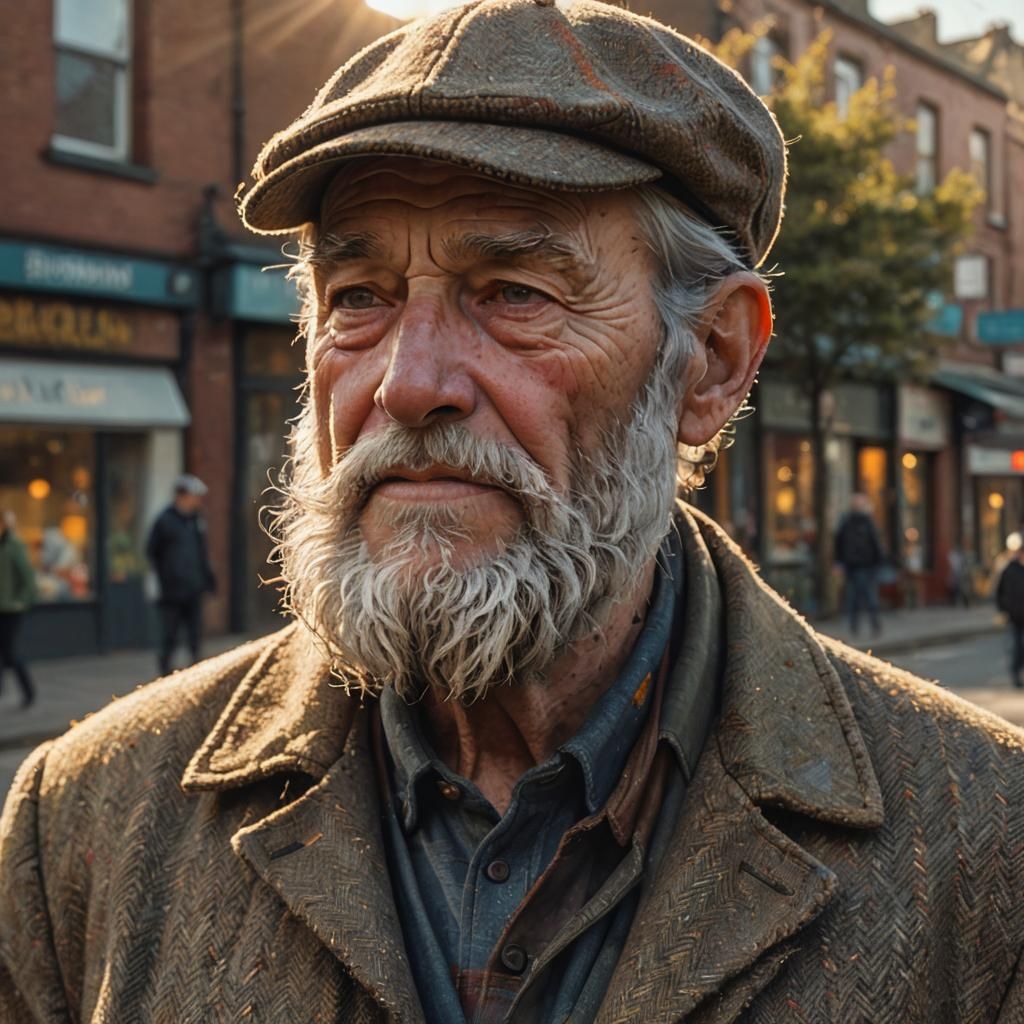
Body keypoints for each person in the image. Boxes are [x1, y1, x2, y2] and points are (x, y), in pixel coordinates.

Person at [3, 3, 1024, 1019]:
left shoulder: (986, 839)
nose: (407, 385)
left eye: (513, 292)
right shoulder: (87, 818)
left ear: (711, 360)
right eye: (357, 295)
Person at [146, 474, 216, 676]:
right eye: (194, 495)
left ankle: (196, 669)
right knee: (170, 633)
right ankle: (165, 670)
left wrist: (208, 579)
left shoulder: (196, 520)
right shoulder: (165, 520)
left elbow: (201, 552)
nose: (198, 500)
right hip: (172, 590)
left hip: (193, 587)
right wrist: (167, 577)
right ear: (182, 496)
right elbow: (152, 551)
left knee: (195, 633)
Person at [834, 492, 885, 636]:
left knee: (862, 596)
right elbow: (840, 543)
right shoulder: (850, 522)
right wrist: (839, 562)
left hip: (865, 565)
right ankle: (861, 626)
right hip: (855, 565)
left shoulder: (866, 522)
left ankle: (866, 626)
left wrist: (879, 561)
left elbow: (875, 543)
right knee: (861, 596)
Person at [0, 511, 36, 708]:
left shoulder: (14, 546)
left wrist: (21, 601)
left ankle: (29, 692)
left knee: (10, 652)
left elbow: (28, 578)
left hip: (11, 609)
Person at [997, 532, 1024, 689]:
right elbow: (999, 592)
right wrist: (1003, 609)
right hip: (1014, 614)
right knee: (1016, 646)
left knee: (1020, 646)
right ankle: (1015, 674)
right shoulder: (1008, 570)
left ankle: (1018, 671)